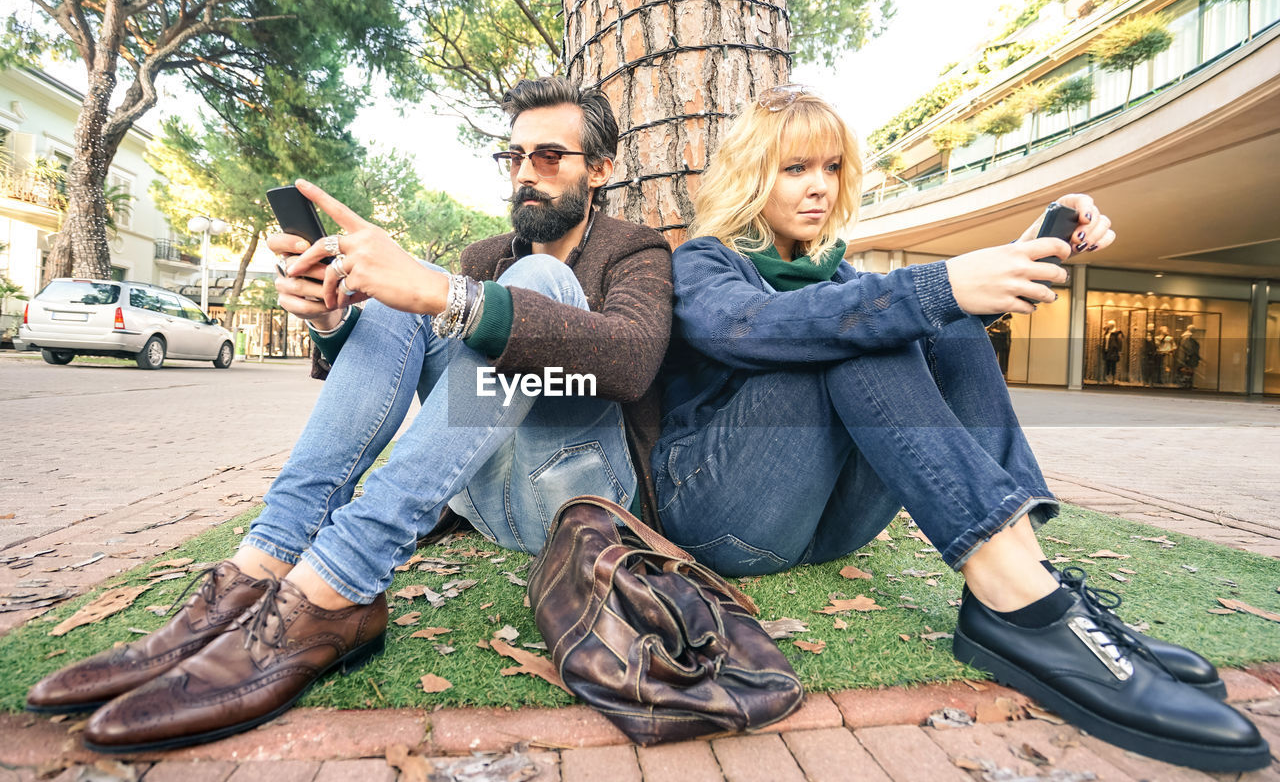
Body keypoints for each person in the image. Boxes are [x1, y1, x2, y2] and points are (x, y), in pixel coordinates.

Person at [27, 77, 673, 753]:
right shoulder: (485, 257)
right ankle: (262, 568)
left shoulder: (635, 251)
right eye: (513, 158)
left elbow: (631, 363)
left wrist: (453, 298)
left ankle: (340, 582)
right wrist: (337, 318)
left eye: (548, 158)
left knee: (520, 286)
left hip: (575, 503)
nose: (524, 175)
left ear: (600, 170)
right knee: (394, 295)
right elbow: (435, 374)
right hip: (484, 496)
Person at [652, 86, 1268, 772]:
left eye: (831, 167)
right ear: (750, 174)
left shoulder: (843, 272)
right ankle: (1029, 613)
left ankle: (1024, 583)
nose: (819, 187)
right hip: (720, 513)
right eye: (795, 168)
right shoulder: (704, 261)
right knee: (876, 322)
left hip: (826, 523)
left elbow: (895, 316)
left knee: (944, 327)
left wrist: (1024, 254)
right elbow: (747, 328)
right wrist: (938, 288)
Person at [1175, 325, 1202, 389]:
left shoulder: (1186, 336)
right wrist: (1190, 355)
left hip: (1187, 357)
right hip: (1188, 357)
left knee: (1187, 371)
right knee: (1187, 370)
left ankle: (1186, 384)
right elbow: (1188, 348)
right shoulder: (1187, 337)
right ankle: (1185, 384)